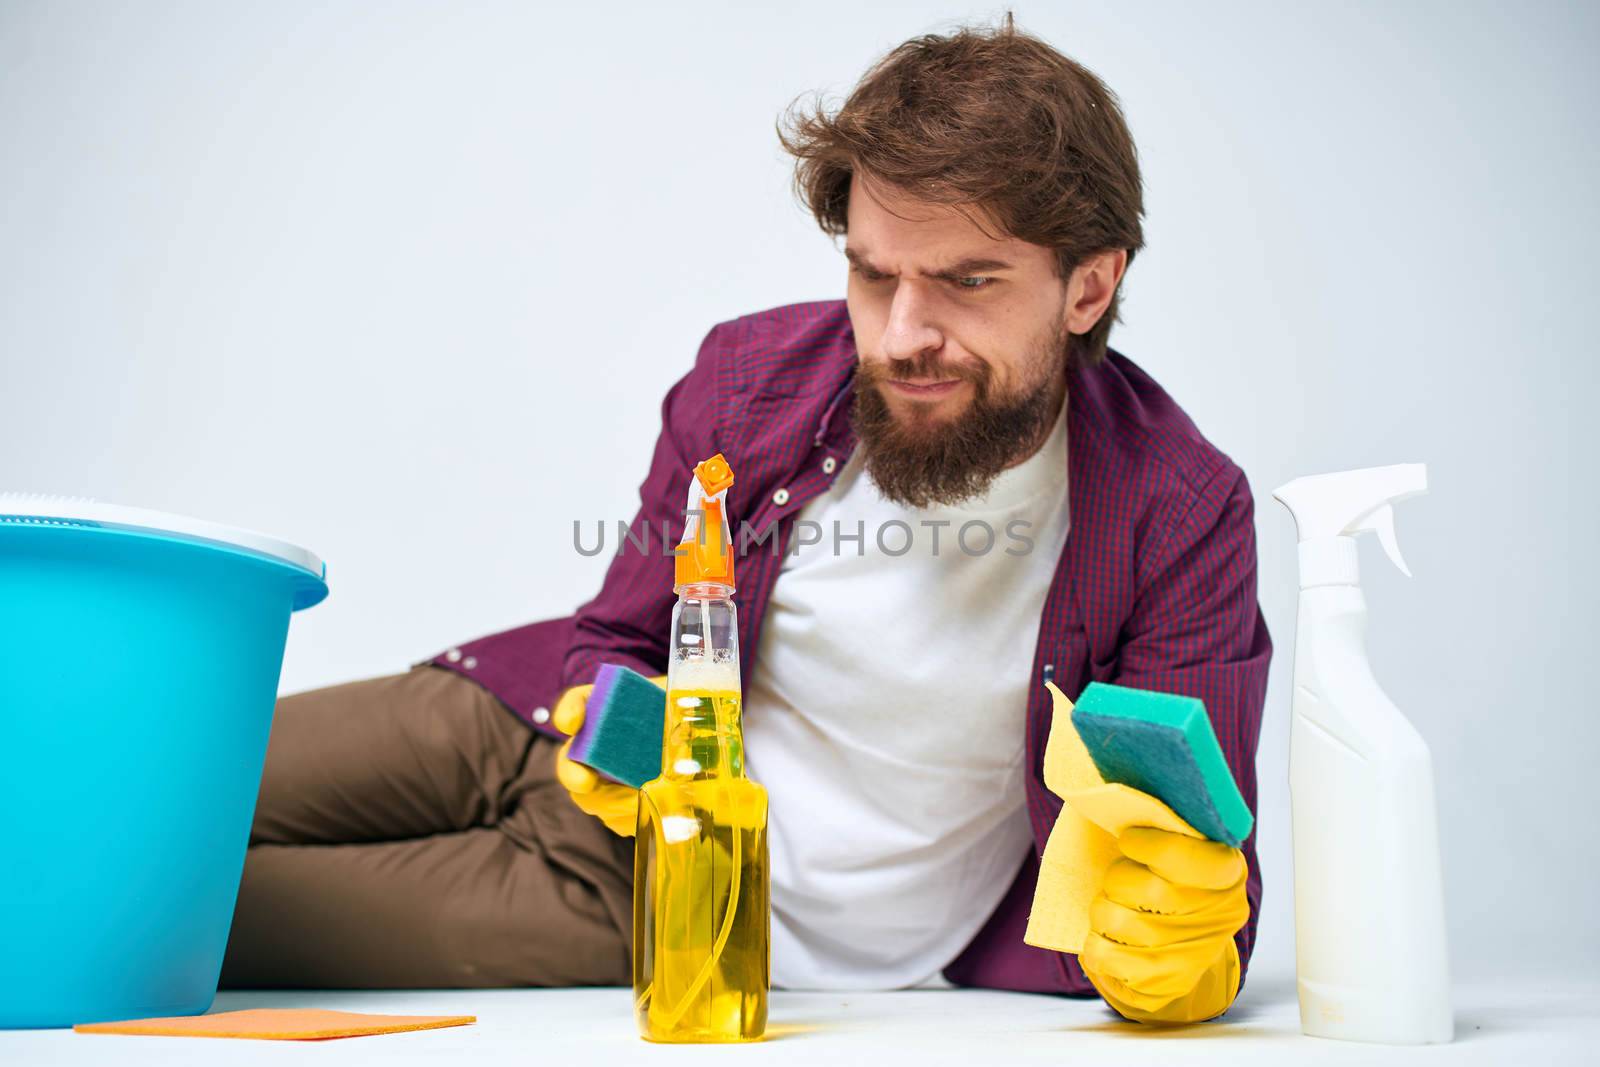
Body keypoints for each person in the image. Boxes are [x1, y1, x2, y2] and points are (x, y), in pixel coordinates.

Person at [221, 14, 1270, 1026]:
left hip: (649, 893)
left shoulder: (1179, 512)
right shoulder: (750, 381)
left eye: (967, 281)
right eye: (873, 273)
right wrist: (605, 713)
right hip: (518, 725)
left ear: (1088, 287)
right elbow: (621, 634)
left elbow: (1186, 853)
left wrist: (1178, 950)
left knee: (184, 908)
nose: (904, 335)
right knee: (153, 767)